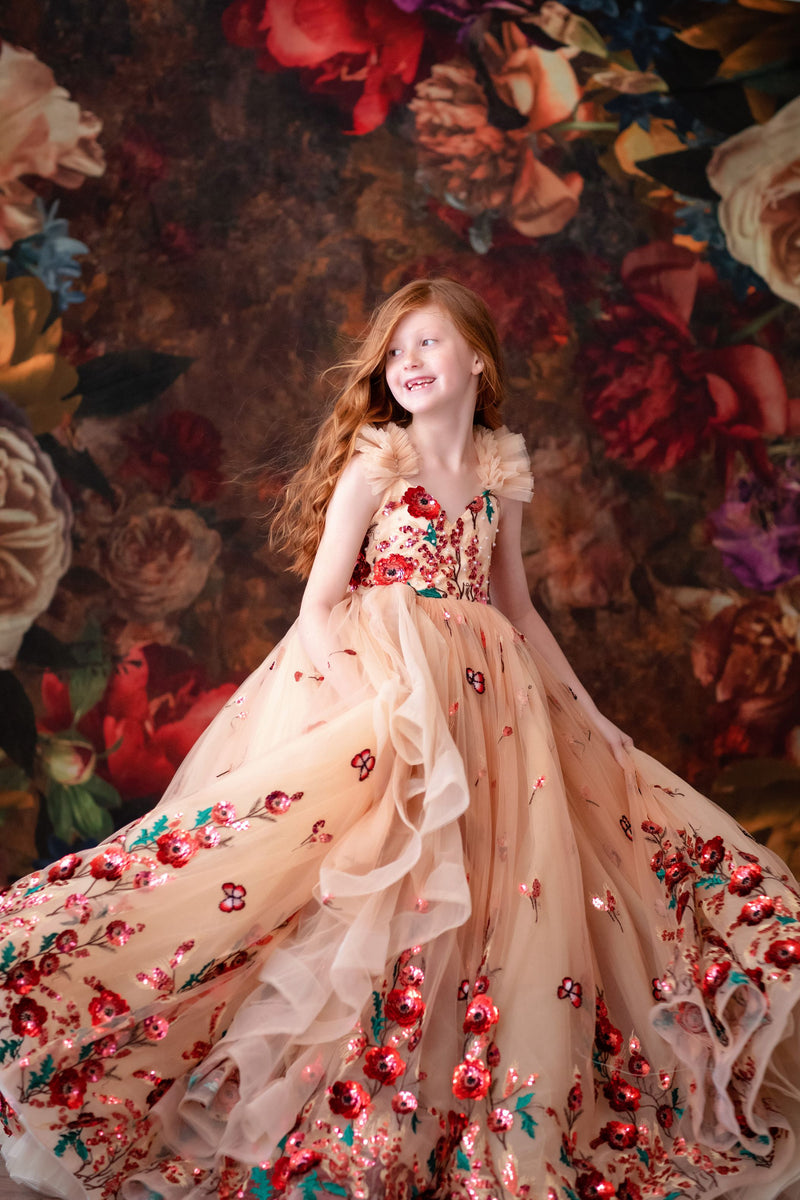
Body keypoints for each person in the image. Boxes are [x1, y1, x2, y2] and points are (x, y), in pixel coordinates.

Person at [0, 278, 799, 1200]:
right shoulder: (378, 463)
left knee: (489, 890)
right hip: (385, 684)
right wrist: (371, 704)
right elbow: (317, 605)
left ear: (477, 363)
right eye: (396, 351)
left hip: (491, 702)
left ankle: (429, 1107)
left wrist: (589, 714)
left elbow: (518, 610)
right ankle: (306, 1091)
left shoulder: (500, 475)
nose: (409, 363)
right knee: (358, 877)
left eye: (427, 344)